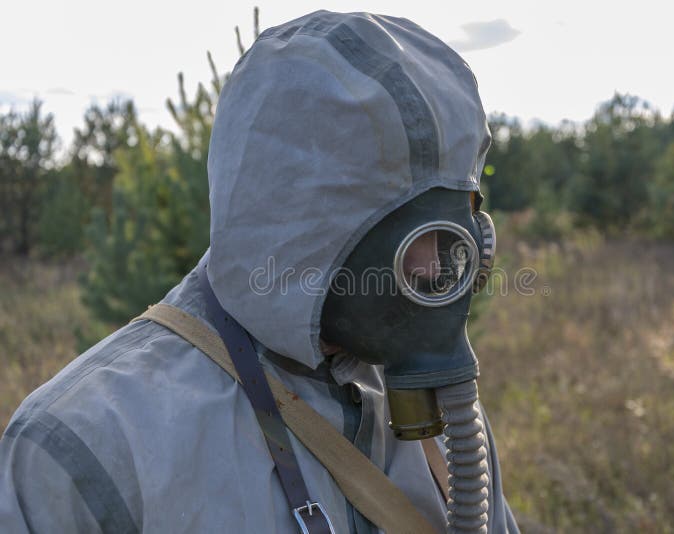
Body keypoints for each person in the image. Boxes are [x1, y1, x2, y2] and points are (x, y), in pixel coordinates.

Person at [0, 10, 519, 533]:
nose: (433, 268)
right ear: (301, 227)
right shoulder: (81, 449)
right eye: (407, 233)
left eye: (452, 231)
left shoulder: (448, 425)